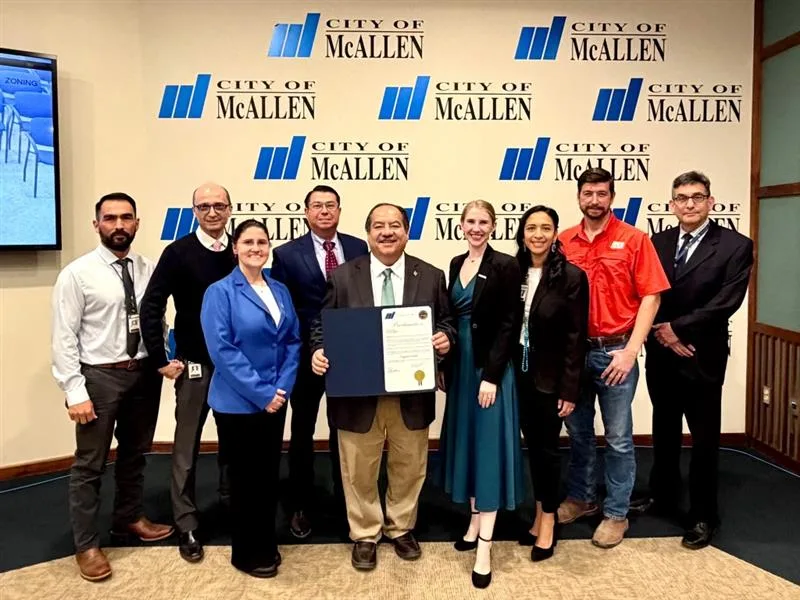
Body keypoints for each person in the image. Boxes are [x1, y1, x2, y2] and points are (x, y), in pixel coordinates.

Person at [310, 203, 456, 572]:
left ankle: (401, 527)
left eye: (395, 225)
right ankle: (365, 533)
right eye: (378, 226)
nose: (387, 232)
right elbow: (322, 327)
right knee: (359, 467)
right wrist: (318, 350)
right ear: (368, 233)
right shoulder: (344, 276)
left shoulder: (431, 275)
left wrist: (446, 339)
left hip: (411, 393)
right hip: (359, 395)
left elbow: (447, 321)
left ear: (407, 232)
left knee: (409, 464)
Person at [51, 193, 173, 582]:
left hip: (143, 374)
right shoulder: (77, 274)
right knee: (90, 464)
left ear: (137, 223)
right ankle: (87, 545)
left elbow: (155, 320)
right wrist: (75, 391)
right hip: (99, 377)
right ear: (97, 225)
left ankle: (128, 518)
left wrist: (162, 358)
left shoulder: (149, 268)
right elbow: (64, 337)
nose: (118, 225)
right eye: (110, 218)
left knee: (135, 455)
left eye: (126, 217)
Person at [558, 168, 670, 548]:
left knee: (619, 438)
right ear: (579, 197)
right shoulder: (563, 242)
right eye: (588, 193)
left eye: (601, 194)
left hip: (616, 352)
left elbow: (652, 296)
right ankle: (582, 498)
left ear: (612, 197)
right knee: (578, 433)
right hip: (575, 354)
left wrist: (631, 351)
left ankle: (617, 513)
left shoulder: (635, 239)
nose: (594, 200)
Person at [643, 171, 753, 549]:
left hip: (701, 355)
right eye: (681, 198)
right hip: (661, 352)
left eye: (697, 197)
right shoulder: (658, 242)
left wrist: (678, 330)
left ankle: (705, 514)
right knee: (664, 428)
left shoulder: (735, 245)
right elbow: (648, 293)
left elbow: (726, 301)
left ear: (711, 201)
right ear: (672, 204)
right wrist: (663, 332)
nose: (689, 204)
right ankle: (663, 495)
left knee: (704, 438)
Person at [139, 182, 235, 562]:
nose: (212, 212)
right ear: (194, 211)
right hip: (196, 365)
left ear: (229, 209)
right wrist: (160, 357)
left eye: (219, 205)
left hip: (235, 368)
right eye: (204, 206)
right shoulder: (178, 252)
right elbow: (152, 305)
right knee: (186, 446)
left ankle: (231, 504)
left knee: (234, 441)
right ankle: (186, 521)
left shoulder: (240, 249)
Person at [200, 219, 301, 578]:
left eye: (262, 242)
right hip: (238, 404)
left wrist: (282, 389)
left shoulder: (279, 290)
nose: (256, 248)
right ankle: (246, 553)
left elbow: (292, 341)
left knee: (267, 477)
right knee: (244, 482)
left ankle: (266, 543)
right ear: (235, 248)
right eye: (248, 242)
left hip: (275, 400)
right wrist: (262, 393)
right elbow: (222, 350)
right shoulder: (220, 292)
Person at [270, 184, 368, 539]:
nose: (324, 211)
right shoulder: (286, 254)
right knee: (302, 430)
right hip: (306, 357)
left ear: (339, 210)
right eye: (317, 206)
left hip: (350, 354)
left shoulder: (358, 248)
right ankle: (301, 504)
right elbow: (283, 308)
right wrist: (308, 347)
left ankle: (348, 501)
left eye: (330, 205)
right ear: (306, 212)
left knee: (348, 430)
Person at [438, 200, 524, 589]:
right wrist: (444, 366)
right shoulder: (456, 262)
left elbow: (509, 324)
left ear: (493, 226)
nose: (476, 227)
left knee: (487, 452)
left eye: (483, 222)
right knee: (470, 446)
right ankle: (473, 523)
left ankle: (485, 548)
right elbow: (450, 322)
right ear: (460, 225)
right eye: (470, 221)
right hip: (461, 369)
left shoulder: (505, 265)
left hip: (489, 372)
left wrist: (491, 376)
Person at [513, 205, 589, 562]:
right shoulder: (511, 271)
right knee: (532, 449)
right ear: (522, 233)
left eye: (545, 228)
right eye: (531, 228)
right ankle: (537, 513)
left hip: (550, 380)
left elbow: (576, 338)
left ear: (556, 234)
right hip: (516, 376)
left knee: (547, 451)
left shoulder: (571, 277)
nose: (538, 235)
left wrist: (569, 389)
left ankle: (547, 520)